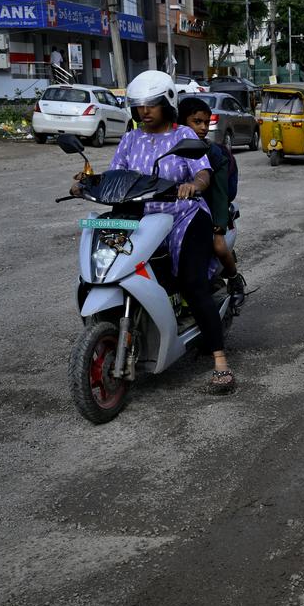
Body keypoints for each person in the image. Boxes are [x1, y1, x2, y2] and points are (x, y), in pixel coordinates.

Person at [74, 71, 236, 393]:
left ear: (167, 104)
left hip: (184, 217)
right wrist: (86, 183)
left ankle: (220, 363)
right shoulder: (130, 138)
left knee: (193, 283)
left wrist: (194, 186)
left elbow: (203, 172)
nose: (144, 111)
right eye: (138, 106)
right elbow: (117, 172)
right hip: (141, 218)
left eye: (151, 104)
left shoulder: (182, 137)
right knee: (106, 270)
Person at [178, 96, 246, 297]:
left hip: (212, 210)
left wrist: (218, 228)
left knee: (218, 246)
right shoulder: (170, 148)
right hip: (179, 214)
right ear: (181, 123)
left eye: (206, 122)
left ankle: (234, 279)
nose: (203, 127)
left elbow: (220, 194)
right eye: (197, 122)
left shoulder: (214, 153)